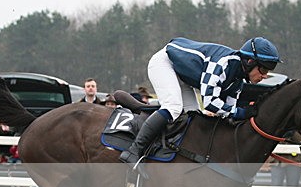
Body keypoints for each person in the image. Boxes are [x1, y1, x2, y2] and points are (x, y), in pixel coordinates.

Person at [119, 36, 281, 168]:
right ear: (250, 62)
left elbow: (229, 113)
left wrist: (244, 116)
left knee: (193, 117)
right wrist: (241, 112)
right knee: (173, 107)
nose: (265, 76)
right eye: (263, 69)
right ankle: (134, 151)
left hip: (182, 75)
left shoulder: (238, 81)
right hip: (165, 63)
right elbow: (210, 102)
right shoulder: (223, 64)